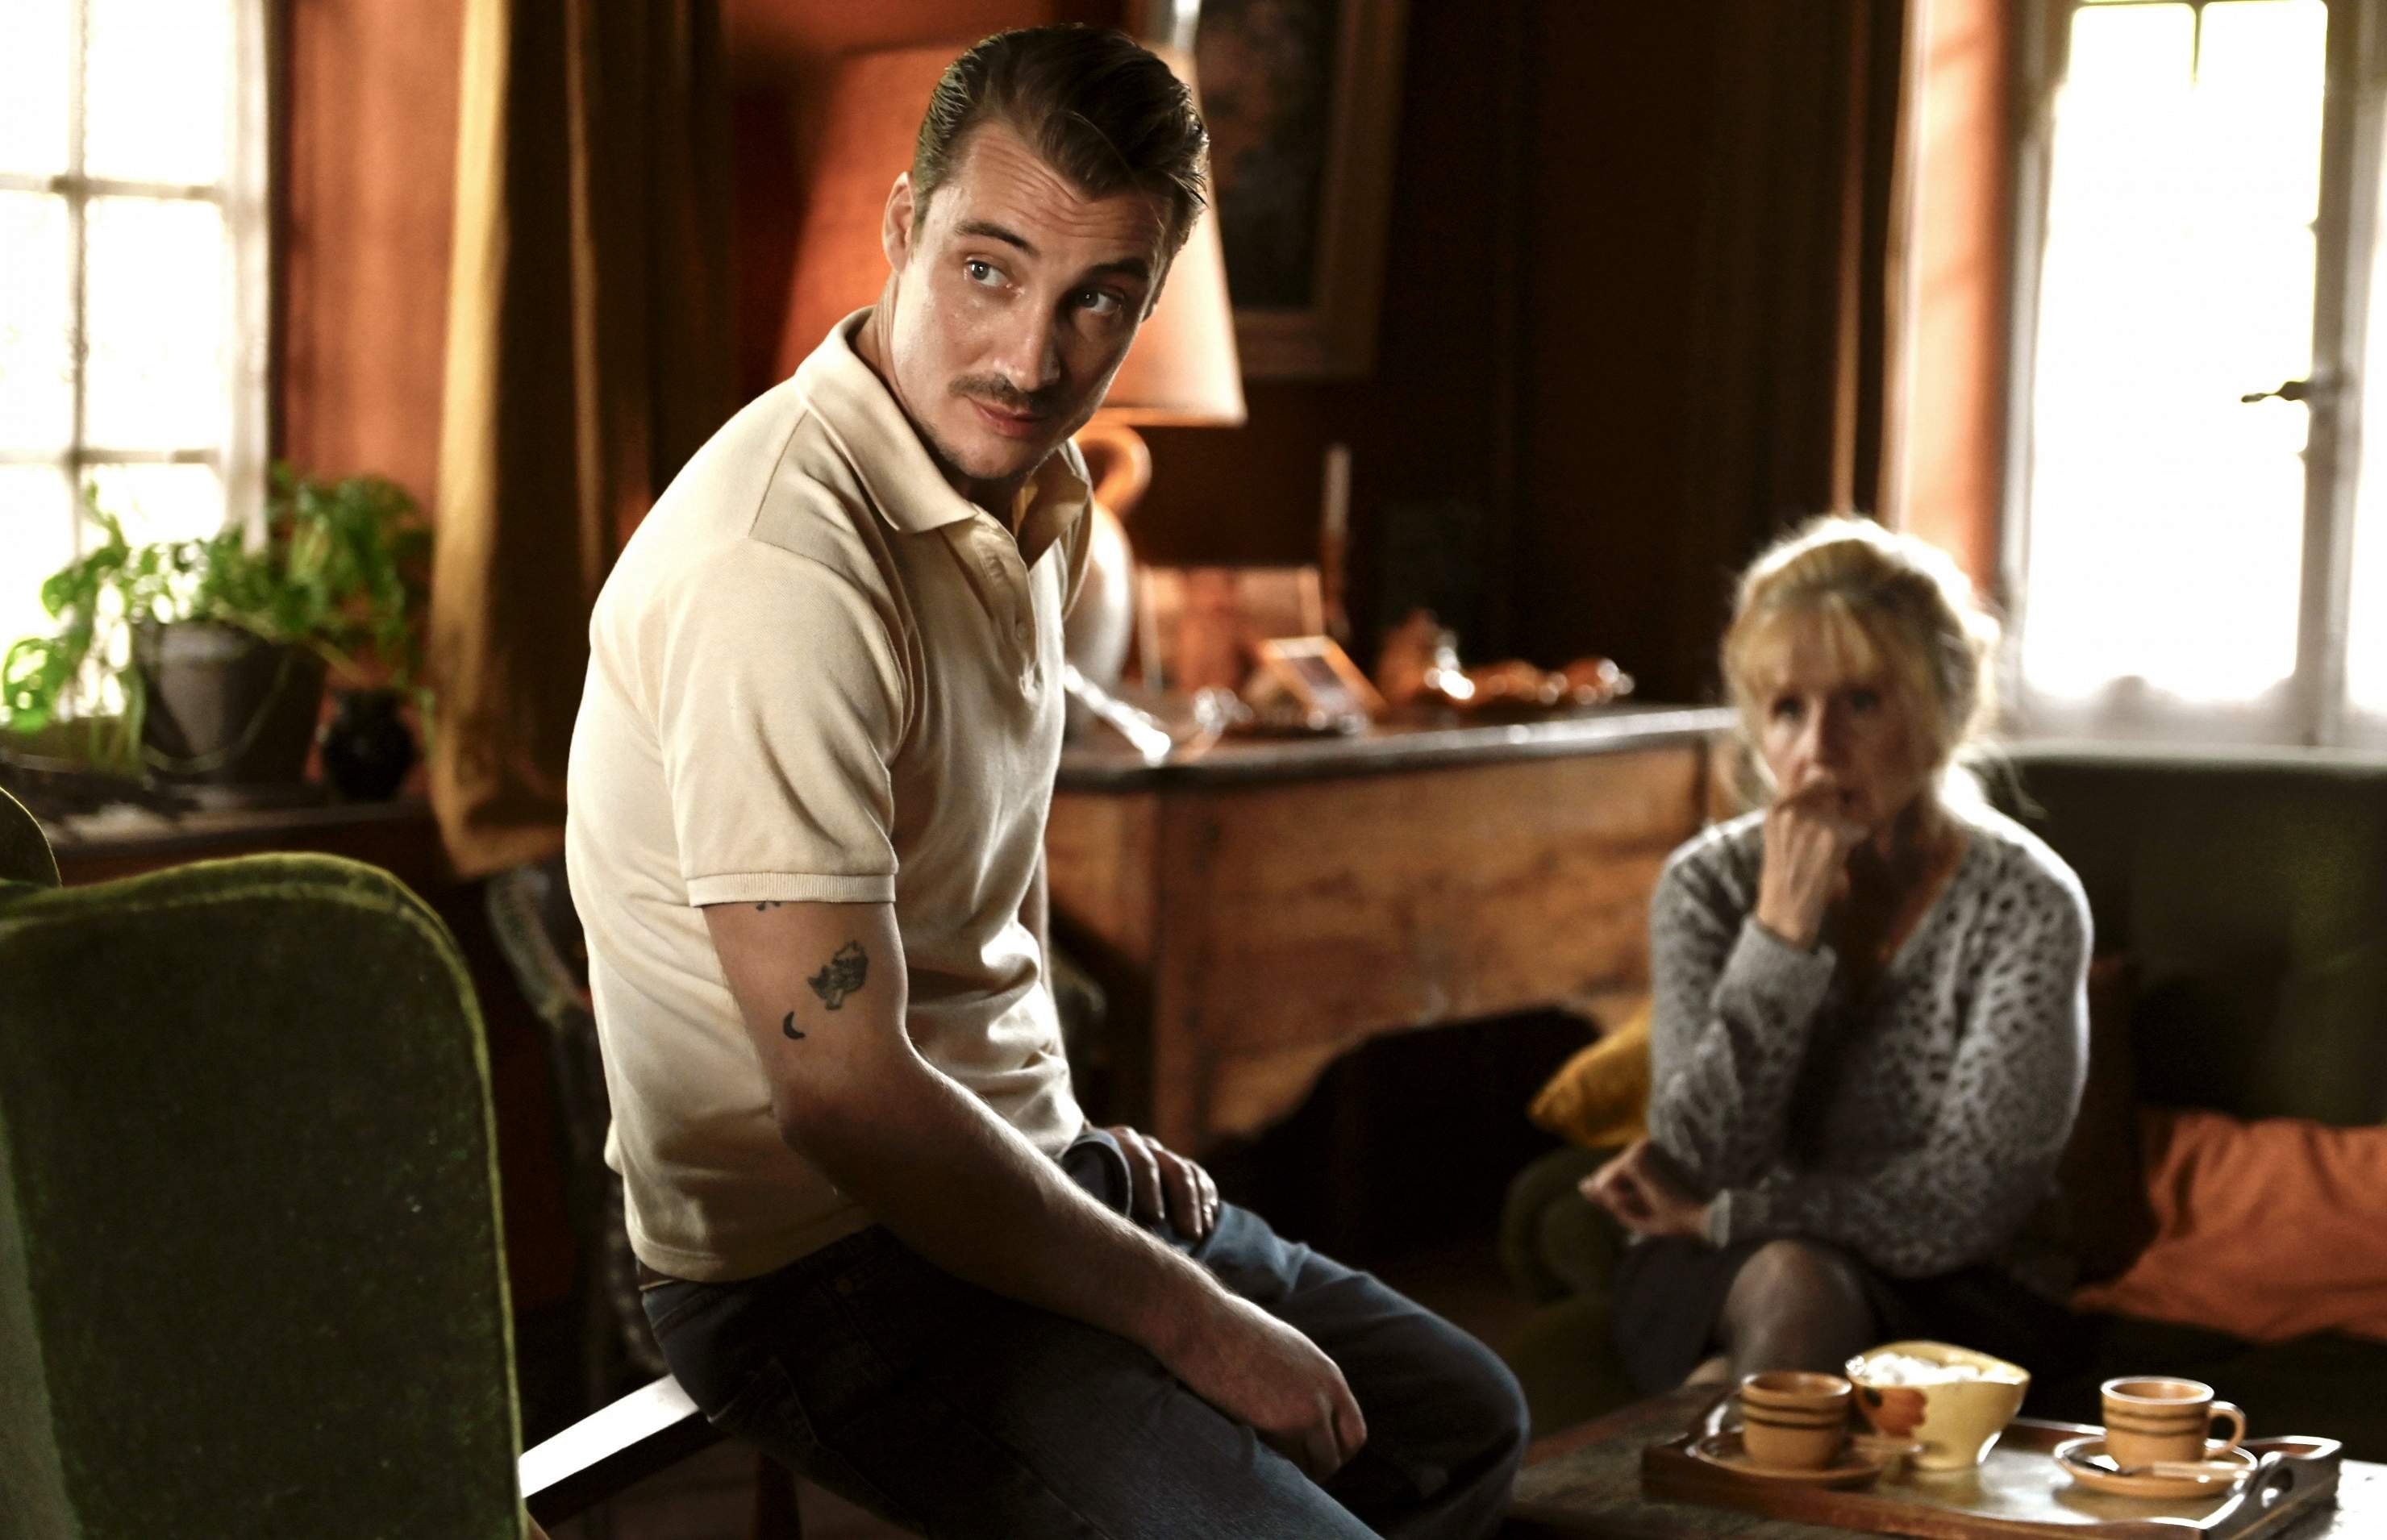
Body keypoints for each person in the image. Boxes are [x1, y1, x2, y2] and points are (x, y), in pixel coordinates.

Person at [564, 26, 1526, 1537]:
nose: (1030, 357)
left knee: (1460, 1423)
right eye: (988, 271)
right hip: (815, 1267)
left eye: (1098, 300)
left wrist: (1060, 1134)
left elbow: (973, 913)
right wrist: (1189, 1318)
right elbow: (845, 1099)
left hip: (1004, 1174)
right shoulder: (784, 567)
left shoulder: (1029, 492)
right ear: (903, 227)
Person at [1579, 516, 2091, 1392]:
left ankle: (1734, 1418)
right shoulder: (1706, 884)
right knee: (1790, 1281)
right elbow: (1697, 1157)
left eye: (1859, 702)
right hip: (1727, 1264)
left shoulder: (2026, 902)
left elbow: (1967, 1201)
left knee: (1776, 1323)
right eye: (1787, 710)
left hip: (1957, 1279)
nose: (1817, 749)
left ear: (1942, 711)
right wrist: (1780, 935)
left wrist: (1728, 1214)